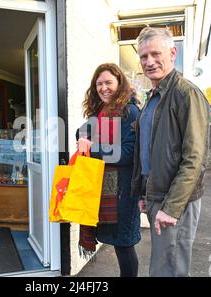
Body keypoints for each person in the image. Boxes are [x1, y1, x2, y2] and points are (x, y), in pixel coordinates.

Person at [131, 27, 211, 277]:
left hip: (177, 201)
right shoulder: (153, 96)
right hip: (157, 196)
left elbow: (194, 159)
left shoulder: (186, 94)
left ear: (173, 53)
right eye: (144, 56)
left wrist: (172, 208)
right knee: (162, 266)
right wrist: (143, 192)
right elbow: (146, 150)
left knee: (170, 269)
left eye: (156, 53)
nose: (149, 61)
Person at [76, 63, 141, 277]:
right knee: (118, 243)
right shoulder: (102, 112)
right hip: (102, 190)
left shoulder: (130, 112)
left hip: (122, 192)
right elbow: (83, 130)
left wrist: (92, 148)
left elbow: (129, 153)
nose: (103, 88)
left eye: (108, 83)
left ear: (120, 83)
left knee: (124, 245)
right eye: (99, 84)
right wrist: (82, 136)